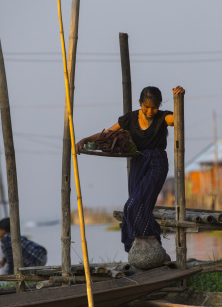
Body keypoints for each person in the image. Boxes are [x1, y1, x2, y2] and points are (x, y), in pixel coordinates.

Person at [77, 86, 185, 254]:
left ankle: (145, 248)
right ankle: (152, 251)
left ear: (159, 105)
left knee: (133, 205)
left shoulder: (163, 117)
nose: (150, 111)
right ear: (140, 103)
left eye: (154, 107)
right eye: (146, 107)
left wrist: (179, 98)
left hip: (157, 163)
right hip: (138, 162)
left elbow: (176, 119)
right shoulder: (130, 119)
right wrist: (85, 139)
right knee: (141, 208)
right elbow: (107, 133)